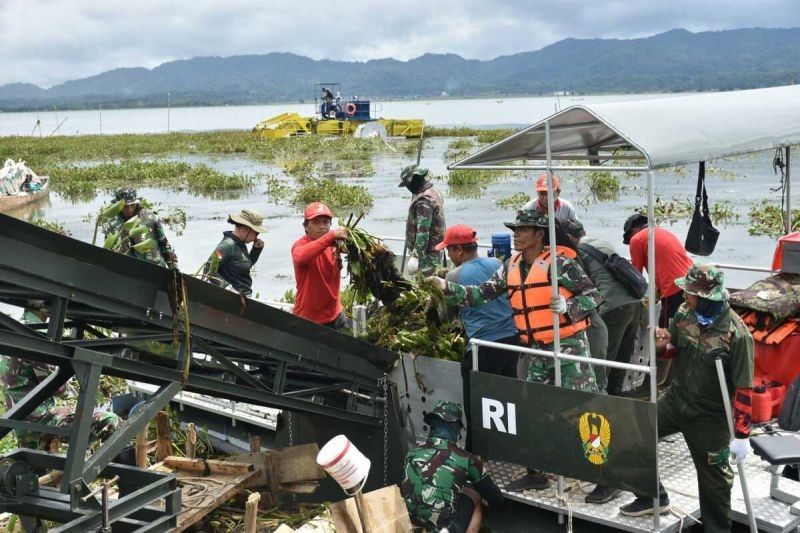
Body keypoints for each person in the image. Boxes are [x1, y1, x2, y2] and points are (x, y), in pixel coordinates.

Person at [431, 209, 601, 491]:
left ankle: (600, 473)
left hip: (568, 348)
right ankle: (536, 473)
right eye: (515, 229)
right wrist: (445, 286)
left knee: (583, 408)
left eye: (522, 229)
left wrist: (569, 307)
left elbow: (593, 294)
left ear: (538, 234)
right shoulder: (510, 265)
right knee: (530, 412)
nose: (516, 234)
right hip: (537, 351)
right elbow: (479, 295)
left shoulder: (560, 264)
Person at [619, 265, 754, 532]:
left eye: (689, 293)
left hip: (711, 417)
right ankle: (652, 496)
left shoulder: (737, 336)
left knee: (715, 482)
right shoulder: (684, 313)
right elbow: (674, 350)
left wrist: (741, 436)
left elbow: (744, 390)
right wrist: (661, 347)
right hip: (676, 400)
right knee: (633, 434)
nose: (684, 297)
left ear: (706, 297)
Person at [563, 219, 644, 504]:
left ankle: (608, 446)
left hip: (610, 311)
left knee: (602, 378)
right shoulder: (600, 242)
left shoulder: (578, 253)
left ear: (570, 237)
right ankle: (620, 422)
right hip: (634, 306)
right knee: (619, 375)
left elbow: (581, 290)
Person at [440, 224, 520, 451]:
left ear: (458, 250)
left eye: (448, 251)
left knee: (476, 404)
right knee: (506, 399)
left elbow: (446, 316)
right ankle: (509, 447)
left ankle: (474, 455)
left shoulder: (454, 275)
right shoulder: (497, 264)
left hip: (484, 347)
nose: (448, 256)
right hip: (512, 341)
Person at [0, 307, 120, 450]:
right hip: (41, 420)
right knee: (112, 421)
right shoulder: (38, 333)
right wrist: (76, 391)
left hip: (19, 422)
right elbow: (57, 385)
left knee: (36, 470)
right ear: (44, 310)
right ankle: (93, 466)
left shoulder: (17, 329)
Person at [401, 401, 503, 533]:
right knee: (474, 494)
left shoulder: (412, 452)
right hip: (445, 530)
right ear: (456, 428)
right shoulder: (467, 459)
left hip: (410, 524)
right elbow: (496, 499)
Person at [623, 213, 692, 327]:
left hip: (673, 287)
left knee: (665, 329)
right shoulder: (664, 232)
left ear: (635, 230)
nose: (630, 240)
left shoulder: (637, 239)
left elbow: (635, 276)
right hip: (691, 282)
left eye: (629, 236)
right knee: (686, 325)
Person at [291, 202, 350, 329]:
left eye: (325, 222)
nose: (322, 226)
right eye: (316, 222)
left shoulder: (335, 245)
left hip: (336, 315)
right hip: (308, 319)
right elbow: (300, 257)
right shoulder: (300, 246)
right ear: (306, 227)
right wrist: (331, 236)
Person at [103, 187, 177, 268]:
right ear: (118, 205)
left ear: (136, 203)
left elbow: (164, 245)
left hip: (154, 269)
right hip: (126, 271)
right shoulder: (112, 224)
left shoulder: (151, 218)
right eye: (125, 206)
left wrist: (174, 270)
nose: (129, 209)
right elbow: (108, 251)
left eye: (132, 205)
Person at [202, 209, 266, 297]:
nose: (256, 237)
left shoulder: (241, 245)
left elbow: (243, 267)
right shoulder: (226, 246)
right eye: (256, 233)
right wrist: (229, 290)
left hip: (244, 298)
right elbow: (209, 270)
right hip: (232, 299)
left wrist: (256, 250)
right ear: (246, 229)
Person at [399, 164, 446, 276]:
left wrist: (416, 256)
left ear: (413, 181)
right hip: (437, 249)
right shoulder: (434, 191)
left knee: (426, 286)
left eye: (408, 185)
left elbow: (423, 231)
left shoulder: (424, 201)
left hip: (427, 255)